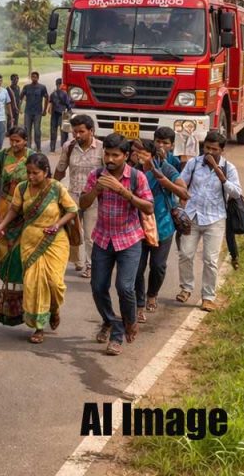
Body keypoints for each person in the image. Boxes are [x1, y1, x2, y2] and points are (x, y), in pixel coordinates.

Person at [80, 134, 154, 356]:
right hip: (103, 238)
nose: (110, 159)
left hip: (129, 239)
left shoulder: (137, 177)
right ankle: (113, 321)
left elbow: (148, 208)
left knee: (125, 287)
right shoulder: (96, 175)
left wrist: (122, 191)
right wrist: (96, 191)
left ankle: (123, 328)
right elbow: (82, 203)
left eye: (115, 155)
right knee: (98, 287)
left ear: (125, 156)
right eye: (107, 154)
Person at [0, 153, 77, 343]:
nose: (31, 177)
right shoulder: (22, 189)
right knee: (34, 285)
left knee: (55, 282)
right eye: (28, 173)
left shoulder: (56, 188)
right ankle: (39, 327)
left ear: (46, 171)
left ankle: (54, 309)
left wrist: (57, 224)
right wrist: (1, 226)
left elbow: (72, 210)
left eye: (35, 173)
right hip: (29, 240)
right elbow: (14, 210)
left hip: (55, 240)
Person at [176, 131, 242, 312]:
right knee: (185, 254)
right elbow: (182, 181)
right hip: (192, 216)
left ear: (222, 150)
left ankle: (208, 296)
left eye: (214, 149)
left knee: (210, 260)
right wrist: (181, 195)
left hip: (215, 219)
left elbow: (236, 193)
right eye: (207, 148)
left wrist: (220, 175)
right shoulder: (194, 163)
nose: (210, 153)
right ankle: (186, 288)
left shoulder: (229, 168)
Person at [131, 139, 189, 319]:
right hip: (136, 226)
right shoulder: (130, 170)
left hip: (162, 225)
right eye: (136, 153)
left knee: (158, 266)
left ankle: (152, 294)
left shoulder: (165, 168)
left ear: (153, 156)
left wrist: (160, 178)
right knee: (137, 268)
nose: (139, 157)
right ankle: (139, 304)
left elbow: (183, 192)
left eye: (143, 154)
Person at [55, 114, 103, 278]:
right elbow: (61, 170)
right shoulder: (69, 147)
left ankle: (90, 266)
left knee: (90, 235)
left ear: (91, 131)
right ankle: (78, 261)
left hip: (92, 199)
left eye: (81, 131)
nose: (77, 135)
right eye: (75, 132)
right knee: (72, 232)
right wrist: (49, 188)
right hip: (72, 197)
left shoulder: (102, 149)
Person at [0, 126, 32, 290]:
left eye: (18, 141)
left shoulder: (31, 157)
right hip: (4, 206)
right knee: (1, 240)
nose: (14, 144)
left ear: (25, 141)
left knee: (20, 242)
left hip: (23, 209)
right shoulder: (3, 155)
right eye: (11, 140)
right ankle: (5, 274)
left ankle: (21, 278)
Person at [21, 71, 48, 152]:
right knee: (27, 130)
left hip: (38, 112)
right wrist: (19, 108)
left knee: (37, 130)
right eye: (32, 77)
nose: (34, 78)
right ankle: (28, 148)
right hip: (28, 112)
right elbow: (20, 97)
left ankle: (38, 147)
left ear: (38, 78)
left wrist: (45, 110)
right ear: (31, 78)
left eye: (35, 77)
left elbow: (47, 97)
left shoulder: (42, 87)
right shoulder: (26, 87)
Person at [48, 78, 73, 152]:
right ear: (61, 84)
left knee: (53, 132)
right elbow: (68, 105)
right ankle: (63, 148)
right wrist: (70, 114)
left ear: (56, 84)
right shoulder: (64, 93)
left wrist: (49, 110)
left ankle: (52, 148)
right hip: (64, 114)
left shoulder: (53, 94)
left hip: (54, 114)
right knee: (64, 133)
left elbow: (51, 103)